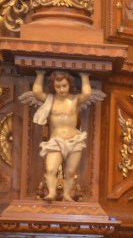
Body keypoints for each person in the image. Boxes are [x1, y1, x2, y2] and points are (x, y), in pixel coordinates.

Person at [31, 70, 92, 202]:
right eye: (58, 86)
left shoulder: (74, 99)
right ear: (53, 86)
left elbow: (87, 93)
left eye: (64, 86)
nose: (61, 89)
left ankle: (67, 195)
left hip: (74, 140)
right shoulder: (50, 99)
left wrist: (84, 76)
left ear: (70, 85)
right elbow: (37, 92)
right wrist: (40, 74)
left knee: (70, 171)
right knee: (50, 169)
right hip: (56, 141)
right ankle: (52, 193)